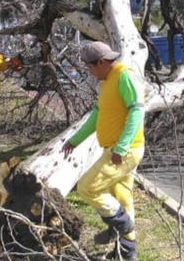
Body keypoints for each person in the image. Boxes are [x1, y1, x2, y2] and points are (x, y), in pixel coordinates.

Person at [62, 41, 145, 260]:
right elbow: (97, 115)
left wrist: (122, 146)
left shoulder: (123, 76)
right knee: (122, 197)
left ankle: (122, 226)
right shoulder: (106, 81)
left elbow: (136, 111)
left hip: (124, 151)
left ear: (100, 62)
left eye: (90, 67)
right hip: (114, 149)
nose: (90, 72)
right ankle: (127, 252)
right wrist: (75, 140)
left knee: (87, 187)